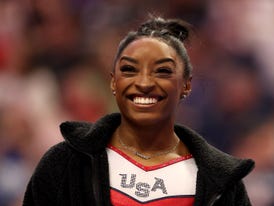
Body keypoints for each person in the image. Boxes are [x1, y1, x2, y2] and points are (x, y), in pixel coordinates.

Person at [22, 16, 255, 206]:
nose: (144, 83)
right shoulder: (63, 164)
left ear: (186, 85)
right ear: (114, 82)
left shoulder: (223, 184)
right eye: (130, 70)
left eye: (162, 71)